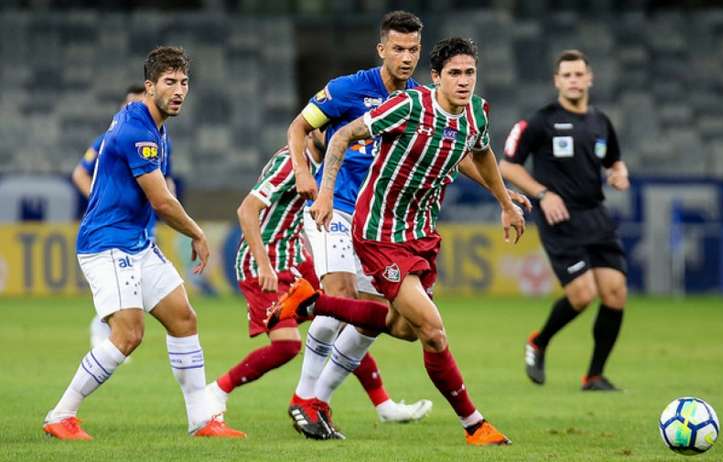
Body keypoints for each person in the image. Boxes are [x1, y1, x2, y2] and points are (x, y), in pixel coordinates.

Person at [270, 37, 527, 446]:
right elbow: (336, 138)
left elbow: (479, 154)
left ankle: (310, 311)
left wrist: (504, 201)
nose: (463, 81)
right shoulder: (405, 105)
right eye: (455, 74)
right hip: (377, 231)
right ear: (436, 77)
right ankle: (474, 424)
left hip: (421, 234)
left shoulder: (477, 113)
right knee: (432, 329)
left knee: (402, 327)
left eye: (470, 73)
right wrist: (320, 187)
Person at [43, 46, 244, 440]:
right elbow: (163, 202)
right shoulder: (139, 131)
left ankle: (202, 419)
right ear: (150, 86)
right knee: (128, 334)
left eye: (184, 82)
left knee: (183, 318)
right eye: (169, 82)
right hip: (108, 244)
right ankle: (60, 415)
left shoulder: (152, 124)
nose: (179, 90)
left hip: (135, 242)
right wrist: (198, 235)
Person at [204, 132, 427, 440]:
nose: (335, 133)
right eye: (327, 127)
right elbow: (246, 210)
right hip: (264, 261)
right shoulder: (289, 163)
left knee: (349, 317)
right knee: (287, 346)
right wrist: (264, 264)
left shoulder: (330, 165)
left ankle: (382, 404)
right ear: (310, 130)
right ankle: (216, 391)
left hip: (296, 255)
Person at [284, 10, 432, 439]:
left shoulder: (419, 101)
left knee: (372, 318)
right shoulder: (349, 89)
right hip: (336, 208)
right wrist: (302, 172)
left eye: (413, 49)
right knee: (343, 294)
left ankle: (320, 401)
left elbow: (456, 154)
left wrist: (501, 196)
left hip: (378, 221)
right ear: (381, 49)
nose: (406, 57)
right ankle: (303, 399)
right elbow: (298, 127)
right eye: (398, 49)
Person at [498, 49, 630, 391]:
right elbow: (507, 166)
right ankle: (539, 342)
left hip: (596, 215)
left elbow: (614, 162)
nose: (573, 80)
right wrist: (543, 194)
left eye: (578, 74)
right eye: (566, 75)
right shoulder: (540, 121)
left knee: (615, 293)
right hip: (560, 220)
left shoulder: (601, 121)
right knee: (583, 294)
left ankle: (595, 375)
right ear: (557, 81)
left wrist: (618, 173)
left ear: (589, 78)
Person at [71, 84, 176, 351]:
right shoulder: (107, 139)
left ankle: (114, 331)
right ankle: (103, 328)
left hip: (145, 225)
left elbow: (165, 179)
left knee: (139, 287)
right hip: (115, 228)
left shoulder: (161, 140)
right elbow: (80, 173)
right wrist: (100, 199)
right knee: (126, 286)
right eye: (130, 103)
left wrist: (170, 205)